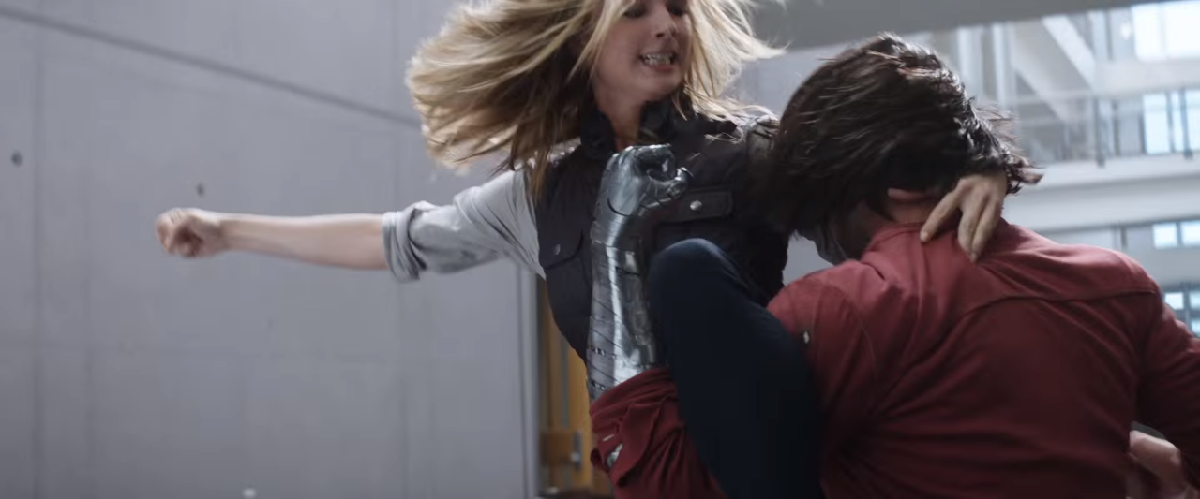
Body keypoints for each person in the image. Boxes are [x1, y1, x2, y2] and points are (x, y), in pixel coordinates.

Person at [153, 0, 1013, 495]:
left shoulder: (751, 149)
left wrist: (983, 166)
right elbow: (398, 239)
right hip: (646, 474)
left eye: (677, 5)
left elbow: (890, 187)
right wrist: (229, 231)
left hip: (765, 463)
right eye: (635, 8)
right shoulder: (536, 193)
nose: (667, 23)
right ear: (582, 35)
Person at [645, 33, 1200, 498]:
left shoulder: (840, 308)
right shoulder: (1115, 284)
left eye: (824, 214)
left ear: (898, 185)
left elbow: (681, 486)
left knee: (687, 272)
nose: (829, 245)